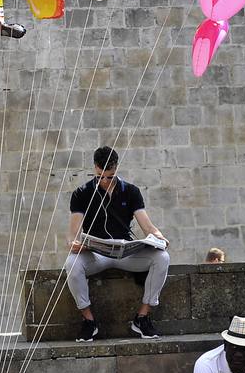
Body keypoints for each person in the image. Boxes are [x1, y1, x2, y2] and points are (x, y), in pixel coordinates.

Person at [65, 146, 170, 340]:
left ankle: (142, 317)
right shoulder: (81, 193)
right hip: (97, 254)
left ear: (116, 169)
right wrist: (75, 244)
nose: (105, 181)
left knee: (162, 257)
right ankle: (88, 320)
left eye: (110, 177)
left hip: (125, 253)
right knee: (71, 264)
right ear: (95, 168)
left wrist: (159, 237)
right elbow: (72, 235)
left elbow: (148, 227)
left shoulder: (131, 191)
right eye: (101, 176)